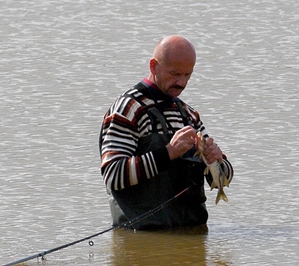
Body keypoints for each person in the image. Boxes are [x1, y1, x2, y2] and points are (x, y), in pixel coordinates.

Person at [99, 36, 233, 232]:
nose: (182, 82)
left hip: (193, 237)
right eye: (175, 74)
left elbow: (220, 179)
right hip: (142, 238)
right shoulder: (129, 109)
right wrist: (169, 153)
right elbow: (113, 175)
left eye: (188, 74)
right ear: (154, 66)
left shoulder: (188, 114)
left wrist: (219, 160)